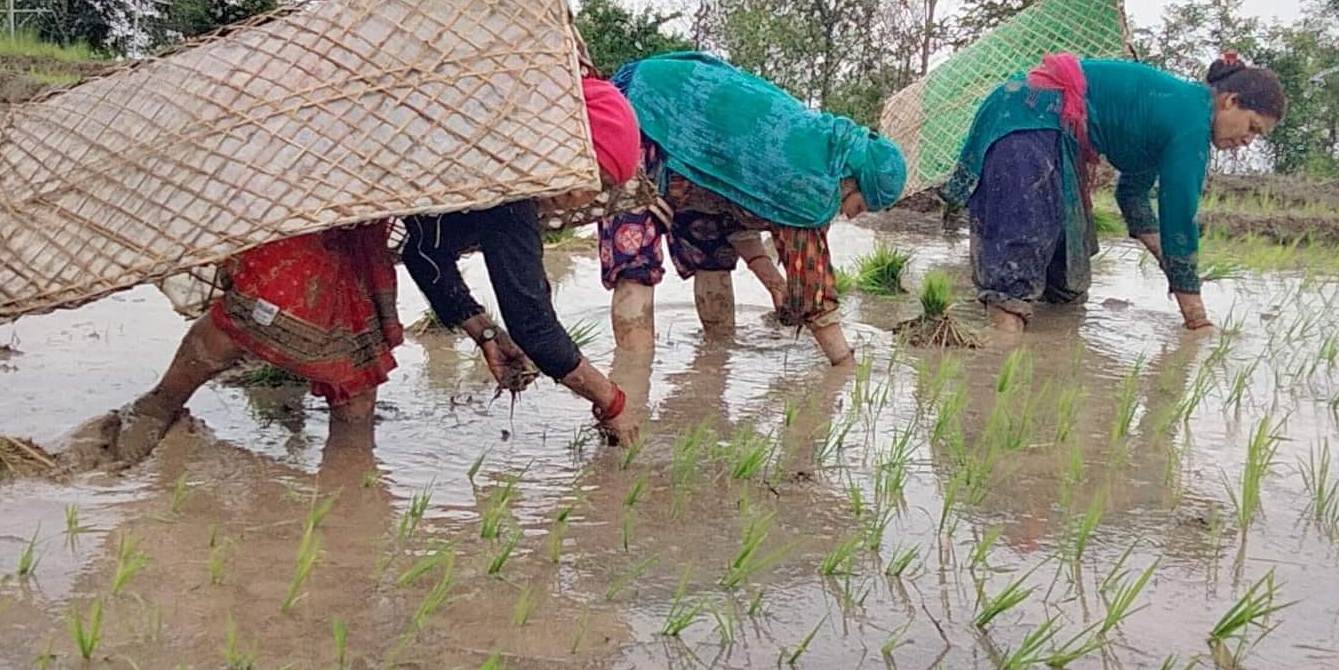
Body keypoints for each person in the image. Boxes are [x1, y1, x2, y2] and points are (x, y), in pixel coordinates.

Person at [598, 52, 908, 366]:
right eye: (862, 204)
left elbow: (740, 216)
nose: (854, 214)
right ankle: (630, 392)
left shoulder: (818, 153)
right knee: (635, 265)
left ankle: (713, 369)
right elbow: (814, 289)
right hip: (652, 112)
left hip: (700, 162)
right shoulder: (809, 180)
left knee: (714, 256)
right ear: (852, 179)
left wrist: (775, 285)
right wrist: (844, 365)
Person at [940, 51, 1286, 333]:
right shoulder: (1192, 123)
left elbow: (1132, 194)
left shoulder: (1176, 115)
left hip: (1047, 126)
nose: (1247, 141)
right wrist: (1197, 320)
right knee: (1018, 265)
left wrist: (1164, 259)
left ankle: (1040, 363)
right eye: (1252, 127)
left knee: (1065, 283)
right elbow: (1179, 219)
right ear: (1231, 101)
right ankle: (996, 364)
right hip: (1031, 117)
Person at [399, 74, 643, 443]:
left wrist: (487, 334)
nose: (581, 192)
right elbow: (534, 327)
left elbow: (422, 253)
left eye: (599, 185)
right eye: (585, 167)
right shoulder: (510, 192)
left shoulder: (482, 152)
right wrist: (613, 403)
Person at [59, 222, 403, 469]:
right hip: (296, 209)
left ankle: (351, 468)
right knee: (251, 310)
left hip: (359, 221)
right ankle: (159, 404)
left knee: (358, 359)